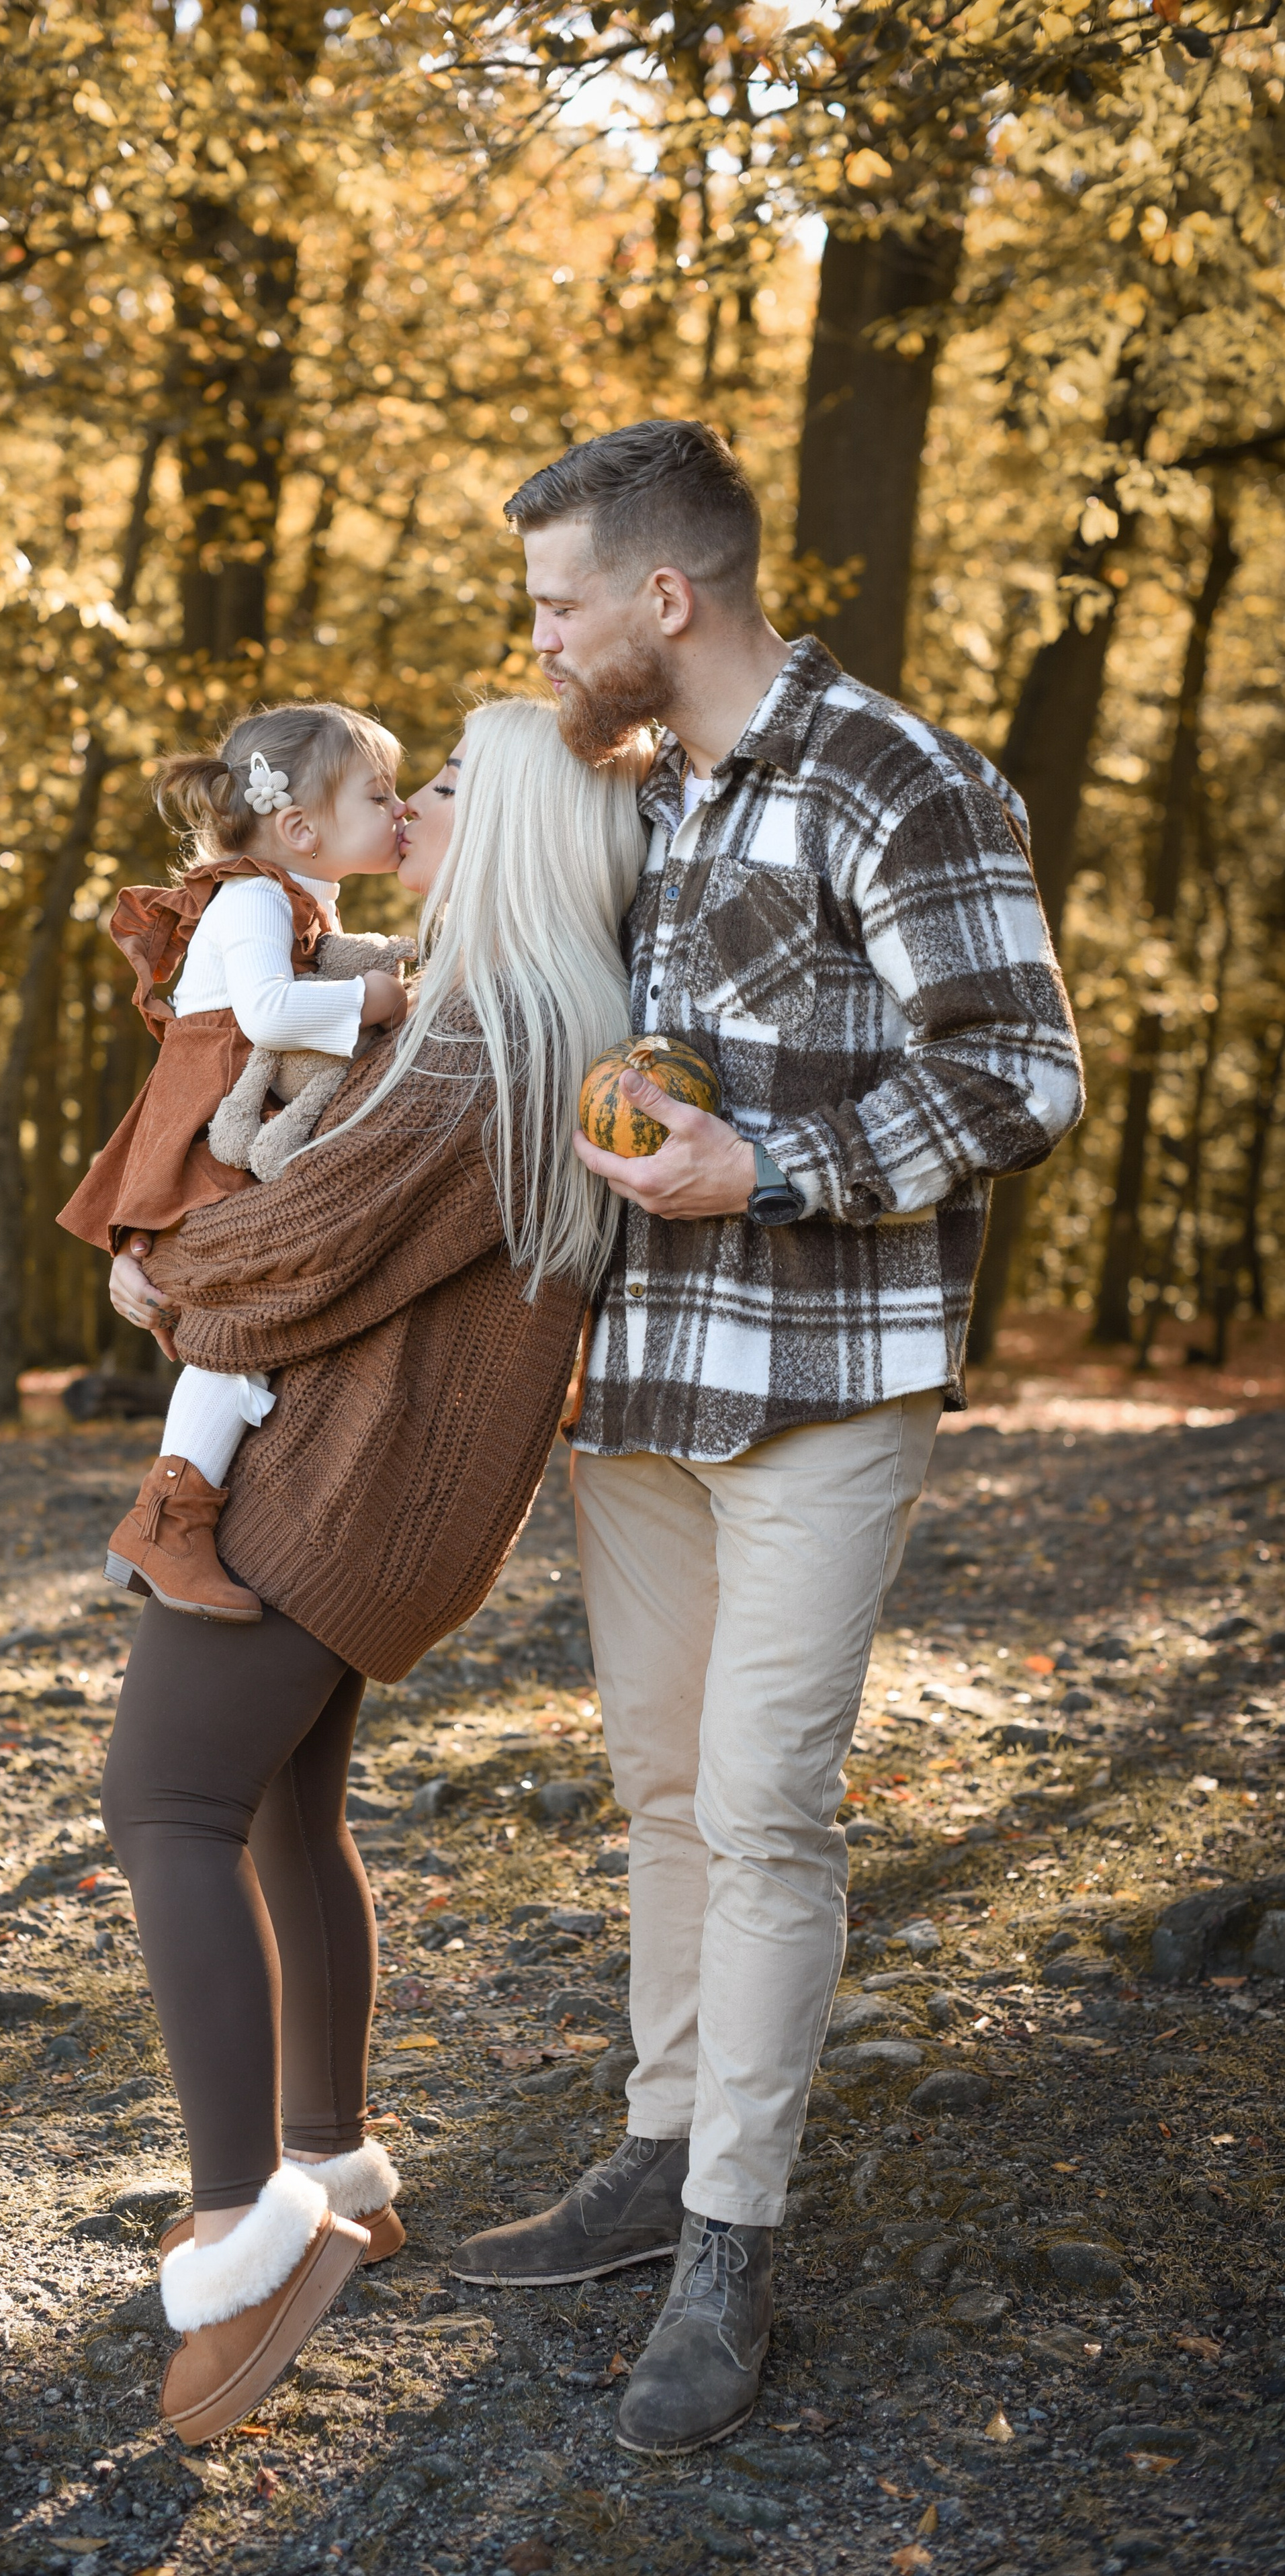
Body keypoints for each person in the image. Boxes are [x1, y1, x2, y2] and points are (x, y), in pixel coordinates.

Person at [446, 419, 1085, 2456]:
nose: (536, 638)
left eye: (556, 603)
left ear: (664, 597)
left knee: (764, 1802)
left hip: (826, 1370)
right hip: (646, 1379)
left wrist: (776, 1164)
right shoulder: (668, 792)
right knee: (655, 1785)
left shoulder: (897, 775)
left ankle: (733, 2237)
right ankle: (656, 2145)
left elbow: (1026, 1068)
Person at [85, 700, 650, 2445]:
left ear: (520, 840)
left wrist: (164, 1266)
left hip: (333, 1490)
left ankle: (242, 2235)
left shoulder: (498, 1026)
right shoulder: (501, 1009)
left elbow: (296, 1242)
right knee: (279, 1813)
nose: (415, 812)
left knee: (162, 1799)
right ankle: (332, 2158)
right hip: (374, 1487)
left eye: (452, 791)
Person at [58, 701, 409, 1623]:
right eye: (381, 795)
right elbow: (262, 1013)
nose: (401, 810)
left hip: (231, 1124)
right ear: (299, 826)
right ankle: (167, 1520)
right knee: (235, 1325)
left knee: (242, 1321)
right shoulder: (254, 898)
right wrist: (374, 1000)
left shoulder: (294, 895)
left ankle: (185, 1512)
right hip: (211, 1132)